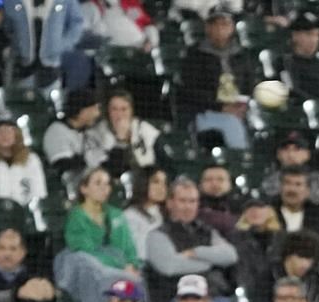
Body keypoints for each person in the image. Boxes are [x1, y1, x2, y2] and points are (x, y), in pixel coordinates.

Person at [145, 177, 239, 302]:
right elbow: (170, 266)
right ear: (170, 203)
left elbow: (231, 255)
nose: (188, 207)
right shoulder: (157, 235)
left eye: (192, 201)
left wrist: (196, 253)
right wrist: (212, 262)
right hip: (177, 299)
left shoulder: (207, 231)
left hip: (213, 295)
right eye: (182, 201)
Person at [60, 167, 142, 302]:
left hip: (121, 269)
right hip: (94, 271)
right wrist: (122, 266)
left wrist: (132, 264)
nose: (104, 188)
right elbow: (85, 250)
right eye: (98, 183)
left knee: (138, 280)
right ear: (84, 188)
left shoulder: (116, 215)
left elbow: (129, 246)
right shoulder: (76, 217)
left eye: (107, 184)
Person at [177, 6, 252, 150]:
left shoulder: (242, 54)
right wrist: (221, 107)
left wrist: (242, 104)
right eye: (215, 24)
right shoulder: (195, 54)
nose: (219, 29)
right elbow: (190, 90)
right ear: (207, 28)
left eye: (224, 24)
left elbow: (249, 84)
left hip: (239, 109)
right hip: (206, 111)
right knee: (232, 124)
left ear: (232, 27)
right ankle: (239, 160)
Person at [3, 0, 89, 91]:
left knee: (50, 100)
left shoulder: (65, 1)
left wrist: (62, 44)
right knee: (22, 101)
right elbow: (7, 26)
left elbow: (77, 22)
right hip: (22, 67)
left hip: (51, 67)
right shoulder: (12, 2)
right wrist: (18, 44)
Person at [85, 90, 160, 176]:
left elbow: (152, 161)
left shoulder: (142, 128)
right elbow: (92, 165)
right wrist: (119, 140)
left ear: (131, 111)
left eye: (124, 109)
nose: (119, 115)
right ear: (108, 111)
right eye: (114, 109)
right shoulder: (96, 133)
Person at [229, 197, 284, 302]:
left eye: (259, 208)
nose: (255, 211)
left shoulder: (282, 238)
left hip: (277, 291)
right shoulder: (235, 238)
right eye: (250, 208)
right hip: (247, 291)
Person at [259, 132, 319, 206]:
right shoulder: (269, 182)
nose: (290, 154)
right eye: (285, 149)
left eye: (297, 149)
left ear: (307, 154)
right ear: (278, 154)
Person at [273, 166, 319, 245]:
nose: (292, 189)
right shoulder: (268, 212)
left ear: (307, 190)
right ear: (280, 187)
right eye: (287, 183)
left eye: (298, 184)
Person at [43, 88, 101, 175]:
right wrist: (90, 159)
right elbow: (63, 166)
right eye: (94, 108)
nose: (98, 113)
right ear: (82, 111)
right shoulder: (56, 132)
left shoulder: (90, 128)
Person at [123, 166, 167, 262]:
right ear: (143, 183)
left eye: (164, 183)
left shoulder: (165, 213)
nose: (162, 187)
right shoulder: (130, 216)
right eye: (156, 182)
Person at [196, 164, 241, 236]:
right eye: (208, 180)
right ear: (200, 184)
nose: (214, 184)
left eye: (220, 179)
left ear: (230, 184)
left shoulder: (242, 208)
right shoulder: (192, 208)